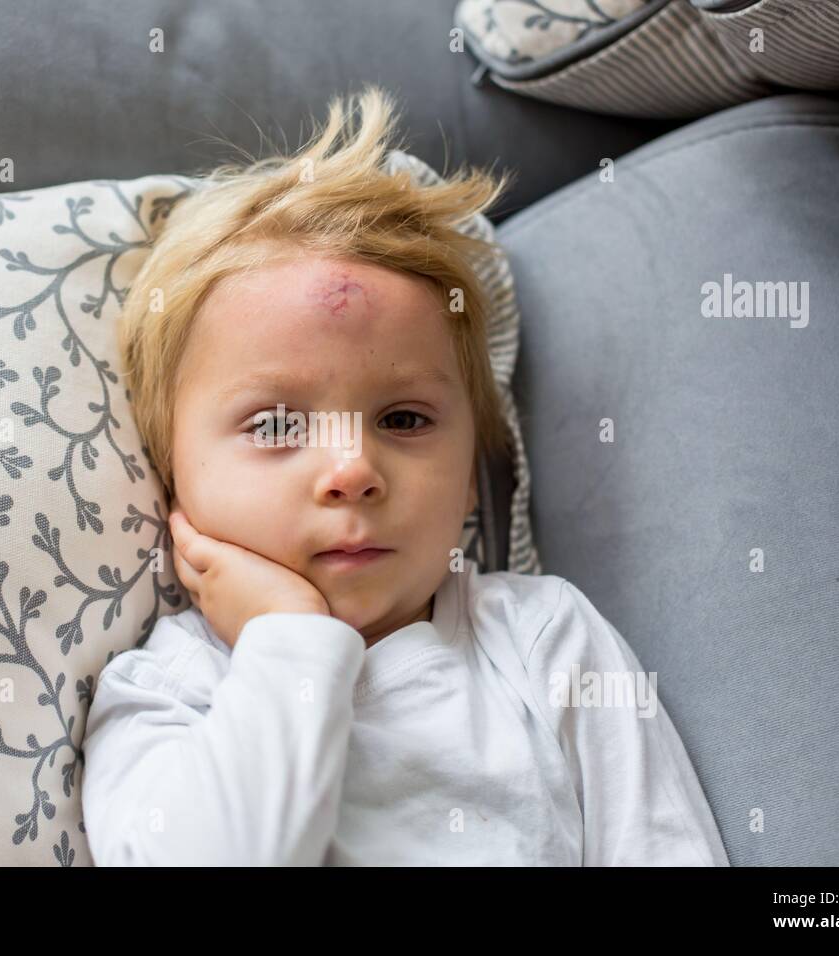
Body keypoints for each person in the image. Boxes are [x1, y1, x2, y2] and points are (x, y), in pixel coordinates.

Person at [80, 85, 730, 866]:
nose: (353, 470)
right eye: (278, 425)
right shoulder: (168, 690)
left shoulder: (545, 640)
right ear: (172, 473)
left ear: (468, 475)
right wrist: (287, 637)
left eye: (404, 421)